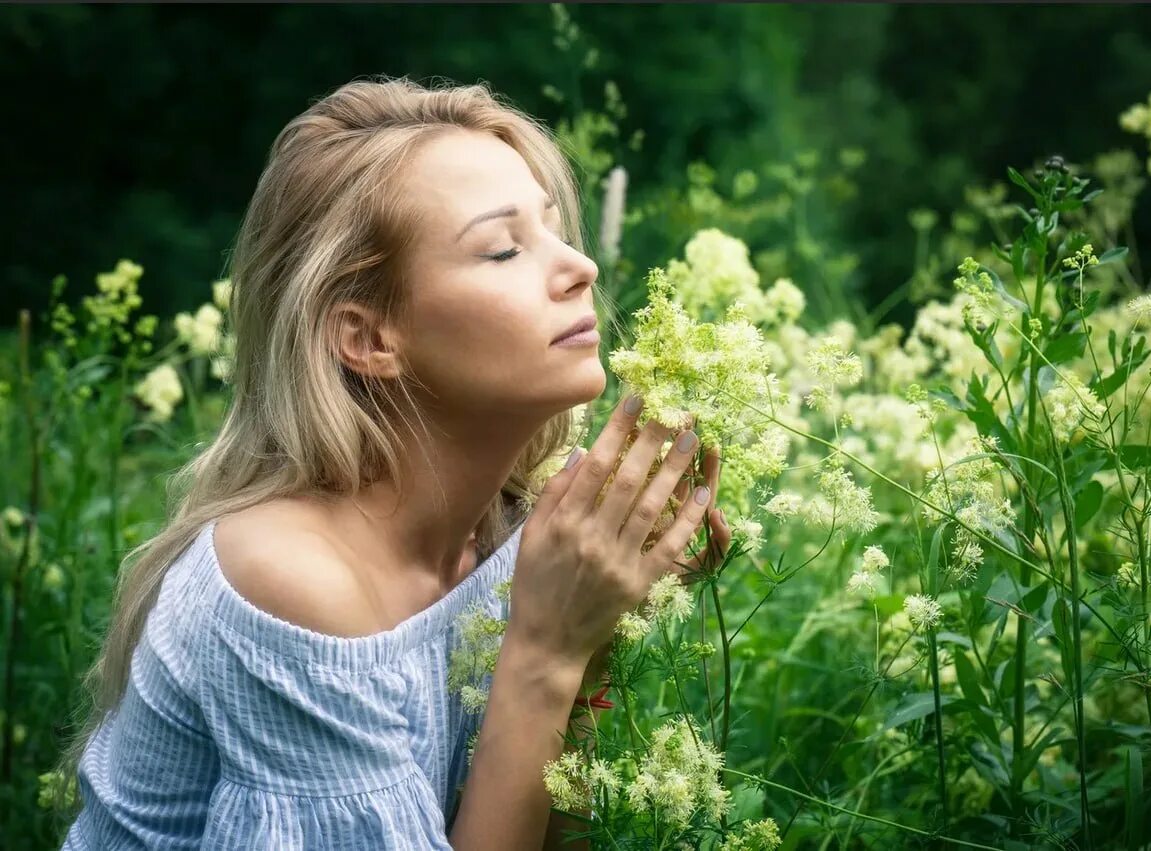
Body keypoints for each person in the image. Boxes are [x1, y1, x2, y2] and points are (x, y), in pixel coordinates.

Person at [52, 75, 730, 850]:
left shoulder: (526, 533)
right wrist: (546, 649)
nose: (581, 265)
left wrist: (595, 634)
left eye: (552, 228)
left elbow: (553, 832)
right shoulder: (292, 582)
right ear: (369, 338)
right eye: (504, 248)